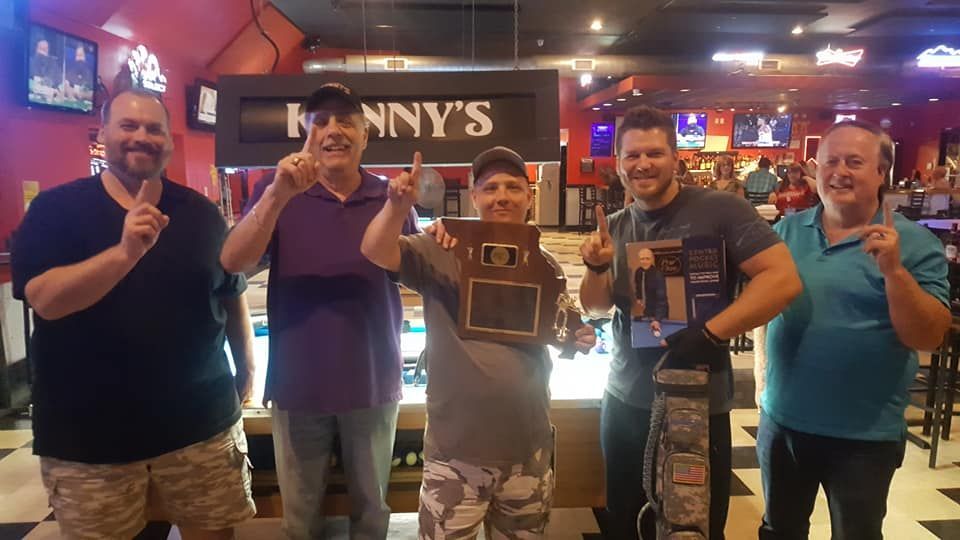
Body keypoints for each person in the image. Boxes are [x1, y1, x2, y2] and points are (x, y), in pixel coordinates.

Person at [10, 88, 256, 540]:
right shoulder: (55, 211)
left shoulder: (201, 214)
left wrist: (247, 368)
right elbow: (45, 299)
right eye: (128, 125)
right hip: (89, 438)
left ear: (169, 142)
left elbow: (229, 292)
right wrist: (124, 254)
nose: (141, 136)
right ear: (102, 134)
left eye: (153, 128)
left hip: (200, 425)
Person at [578, 105, 802, 540]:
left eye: (654, 153)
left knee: (693, 525)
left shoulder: (721, 210)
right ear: (619, 165)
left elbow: (783, 279)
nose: (643, 164)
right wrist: (595, 266)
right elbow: (597, 308)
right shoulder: (620, 224)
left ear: (676, 158)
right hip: (625, 400)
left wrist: (712, 332)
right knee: (624, 521)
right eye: (632, 155)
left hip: (697, 402)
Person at [361, 146, 597, 539]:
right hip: (455, 459)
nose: (501, 196)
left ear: (528, 195)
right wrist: (396, 208)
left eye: (513, 187)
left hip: (528, 453)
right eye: (490, 188)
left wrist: (580, 336)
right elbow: (374, 250)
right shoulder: (440, 249)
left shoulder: (545, 263)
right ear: (474, 196)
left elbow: (560, 331)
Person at [219, 82, 417, 540]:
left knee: (372, 513)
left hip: (372, 380)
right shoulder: (279, 191)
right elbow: (233, 262)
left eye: (346, 121)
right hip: (298, 385)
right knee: (300, 518)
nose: (334, 131)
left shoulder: (391, 198)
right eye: (321, 121)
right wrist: (276, 193)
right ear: (306, 134)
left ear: (365, 136)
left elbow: (411, 273)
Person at [753, 119, 951, 540]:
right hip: (783, 423)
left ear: (882, 172)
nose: (839, 172)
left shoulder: (915, 244)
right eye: (830, 161)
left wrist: (894, 272)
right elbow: (764, 307)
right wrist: (760, 374)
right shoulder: (787, 231)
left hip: (864, 435)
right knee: (778, 530)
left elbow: (929, 336)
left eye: (855, 162)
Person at [633, 248, 668, 335]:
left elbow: (662, 299)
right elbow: (638, 287)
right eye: (642, 258)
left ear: (652, 259)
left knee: (658, 337)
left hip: (658, 311)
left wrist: (657, 319)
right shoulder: (638, 272)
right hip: (645, 311)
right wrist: (639, 298)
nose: (644, 261)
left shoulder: (658, 274)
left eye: (647, 258)